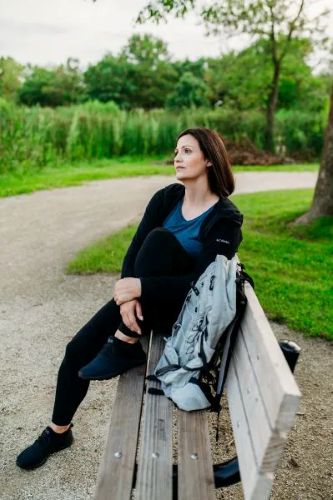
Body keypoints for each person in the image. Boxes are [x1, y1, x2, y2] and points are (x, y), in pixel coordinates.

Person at [16, 127, 243, 470]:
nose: (177, 158)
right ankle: (58, 431)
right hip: (140, 304)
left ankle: (125, 343)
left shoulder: (225, 219)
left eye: (187, 151)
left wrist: (141, 288)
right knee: (77, 350)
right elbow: (133, 253)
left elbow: (202, 286)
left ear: (210, 159)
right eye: (176, 151)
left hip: (178, 313)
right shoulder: (166, 198)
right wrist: (126, 297)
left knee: (160, 242)